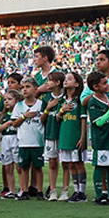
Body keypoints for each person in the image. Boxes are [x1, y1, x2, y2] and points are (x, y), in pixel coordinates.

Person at [85, 72, 109, 205]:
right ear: (95, 86)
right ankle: (100, 195)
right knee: (100, 167)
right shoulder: (93, 102)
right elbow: (98, 122)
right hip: (101, 140)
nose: (107, 85)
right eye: (104, 83)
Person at [11, 78, 45, 200]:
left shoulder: (41, 105)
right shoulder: (19, 106)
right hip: (23, 142)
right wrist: (24, 117)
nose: (25, 89)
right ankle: (24, 190)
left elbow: (44, 120)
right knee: (24, 167)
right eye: (23, 87)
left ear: (35, 89)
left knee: (38, 167)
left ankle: (39, 190)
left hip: (38, 141)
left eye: (28, 86)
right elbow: (14, 123)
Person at [57, 72, 87, 202]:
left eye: (69, 79)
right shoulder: (62, 101)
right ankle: (75, 190)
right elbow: (58, 118)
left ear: (76, 83)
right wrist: (62, 110)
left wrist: (82, 137)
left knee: (79, 164)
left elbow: (83, 120)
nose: (65, 81)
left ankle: (82, 192)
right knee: (71, 165)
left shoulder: (79, 100)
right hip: (65, 137)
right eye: (65, 79)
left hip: (76, 137)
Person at [39, 70, 65, 200]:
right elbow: (41, 119)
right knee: (52, 162)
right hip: (50, 133)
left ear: (57, 82)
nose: (46, 83)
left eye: (49, 80)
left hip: (64, 134)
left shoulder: (66, 97)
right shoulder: (47, 98)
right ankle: (53, 190)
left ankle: (65, 190)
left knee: (66, 162)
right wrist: (48, 108)